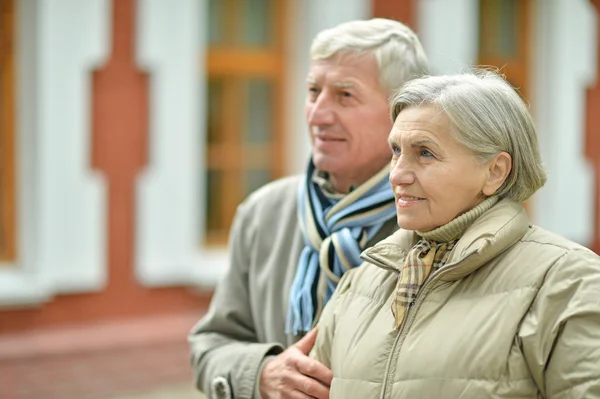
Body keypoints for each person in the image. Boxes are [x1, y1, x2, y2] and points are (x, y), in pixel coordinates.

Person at [309, 69, 600, 398]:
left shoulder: (568, 280)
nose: (398, 175)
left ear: (494, 172)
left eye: (425, 153)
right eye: (395, 151)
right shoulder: (361, 281)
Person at [188, 18, 429, 399]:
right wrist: (261, 372)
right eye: (313, 91)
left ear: (401, 111)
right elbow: (212, 344)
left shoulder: (436, 221)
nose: (317, 114)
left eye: (344, 95)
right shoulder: (263, 213)